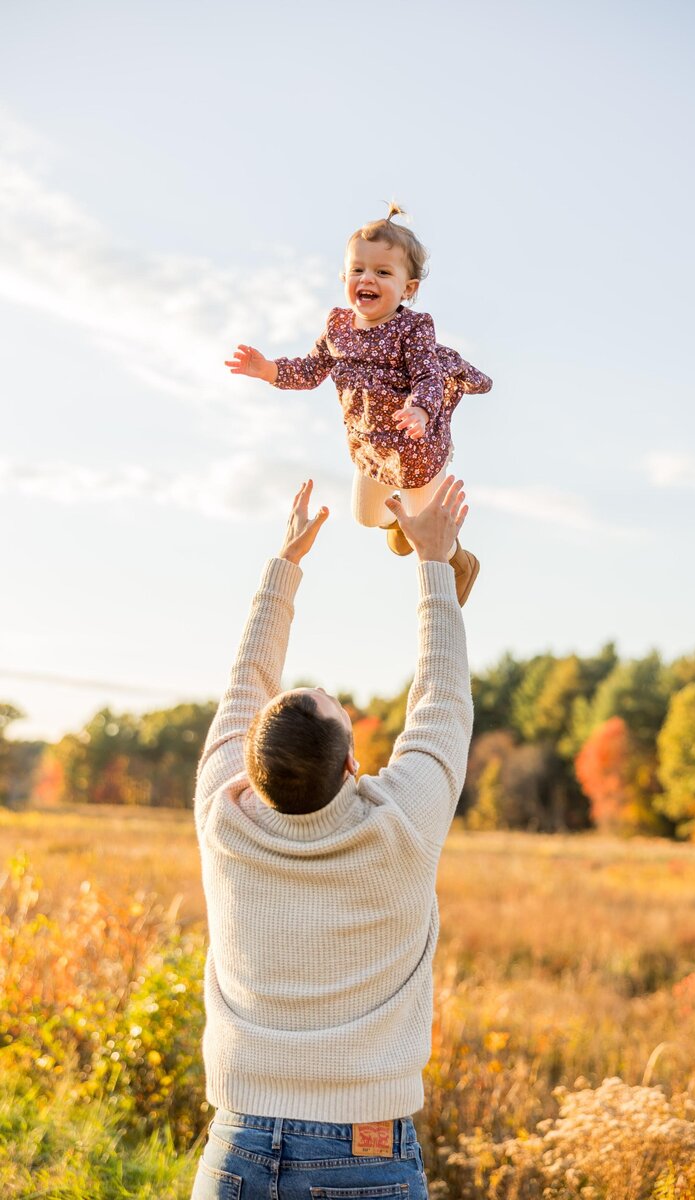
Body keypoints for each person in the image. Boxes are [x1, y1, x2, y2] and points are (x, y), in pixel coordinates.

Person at [191, 476, 473, 1200]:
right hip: (365, 1154)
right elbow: (441, 699)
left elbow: (243, 683)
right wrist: (433, 564)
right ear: (354, 764)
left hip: (236, 1149)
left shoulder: (223, 818)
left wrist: (284, 565)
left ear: (247, 765)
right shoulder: (400, 827)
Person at [224, 205, 491, 607]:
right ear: (344, 276)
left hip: (416, 449)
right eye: (358, 270)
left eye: (383, 272)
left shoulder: (412, 329)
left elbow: (428, 377)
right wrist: (268, 370)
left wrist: (420, 410)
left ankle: (462, 562)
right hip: (370, 449)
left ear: (408, 288)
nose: (367, 279)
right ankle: (402, 526)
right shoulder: (337, 327)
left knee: (429, 534)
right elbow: (312, 369)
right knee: (367, 517)